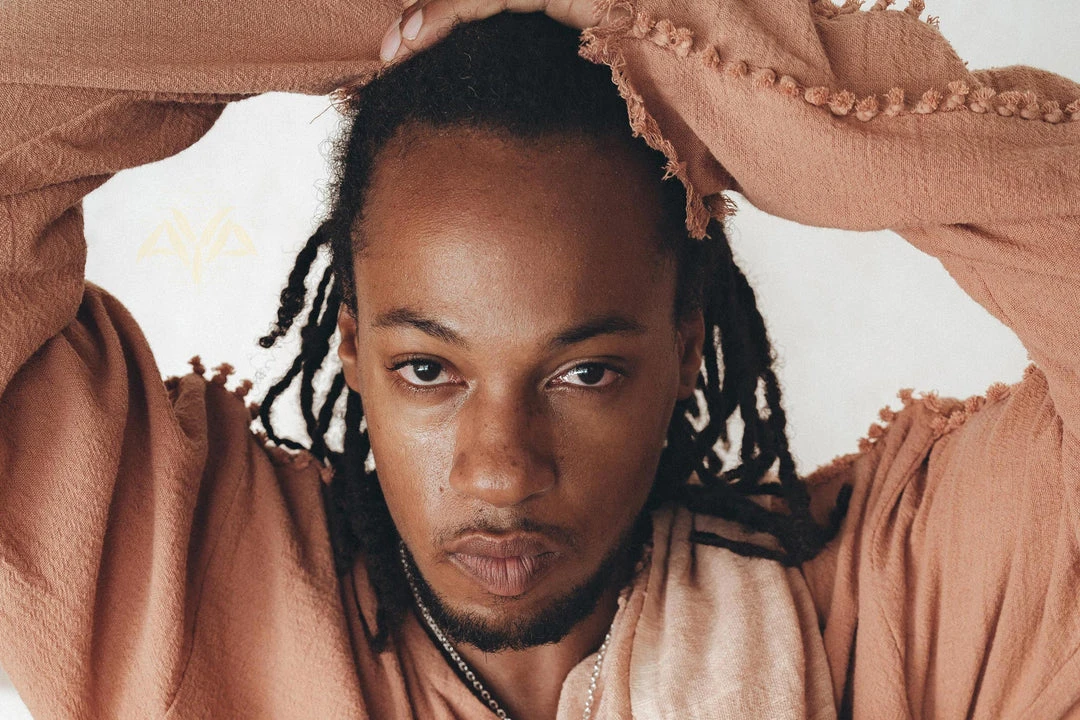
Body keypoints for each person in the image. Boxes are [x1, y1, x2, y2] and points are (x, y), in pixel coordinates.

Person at [0, 2, 1077, 720]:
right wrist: (402, 15)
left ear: (686, 347)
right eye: (429, 370)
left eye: (585, 372)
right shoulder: (172, 577)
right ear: (353, 347)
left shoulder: (893, 610)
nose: (502, 472)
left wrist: (682, 47)